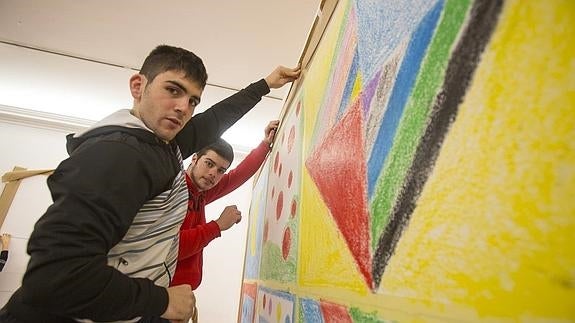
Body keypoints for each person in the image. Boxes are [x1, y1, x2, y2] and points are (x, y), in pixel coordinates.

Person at [0, 45, 299, 323]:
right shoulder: (119, 155)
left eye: (192, 100)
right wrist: (161, 300)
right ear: (138, 86)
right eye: (173, 90)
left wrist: (264, 86)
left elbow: (211, 122)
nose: (183, 107)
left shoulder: (160, 143)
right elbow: (56, 276)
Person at [168, 120, 278, 321]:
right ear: (194, 158)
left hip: (180, 298)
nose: (213, 174)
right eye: (209, 164)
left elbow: (237, 176)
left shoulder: (200, 192)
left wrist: (265, 144)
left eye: (220, 170)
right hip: (163, 299)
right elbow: (172, 248)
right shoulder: (175, 191)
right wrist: (217, 226)